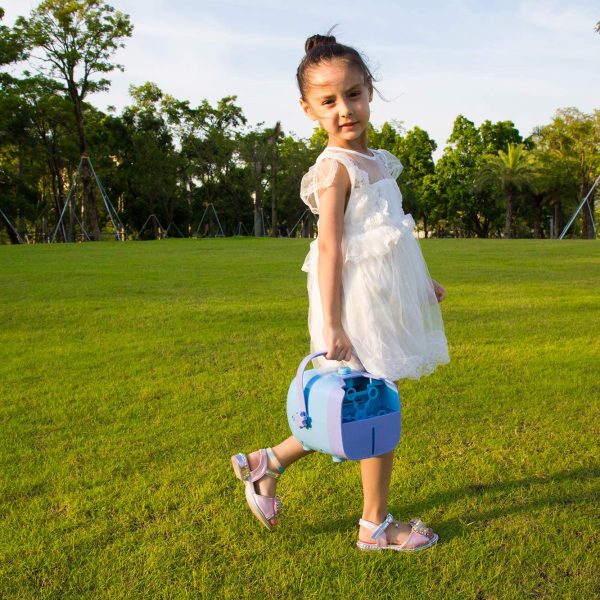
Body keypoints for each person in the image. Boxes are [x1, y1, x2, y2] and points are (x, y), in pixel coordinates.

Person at [231, 32, 449, 552]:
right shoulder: (334, 169)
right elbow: (330, 249)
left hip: (381, 300)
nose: (344, 109)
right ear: (308, 109)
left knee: (357, 405)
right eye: (328, 101)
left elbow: (389, 237)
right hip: (352, 307)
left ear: (369, 91)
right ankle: (375, 526)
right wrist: (332, 324)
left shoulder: (380, 161)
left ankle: (269, 462)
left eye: (353, 94)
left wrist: (421, 284)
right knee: (375, 406)